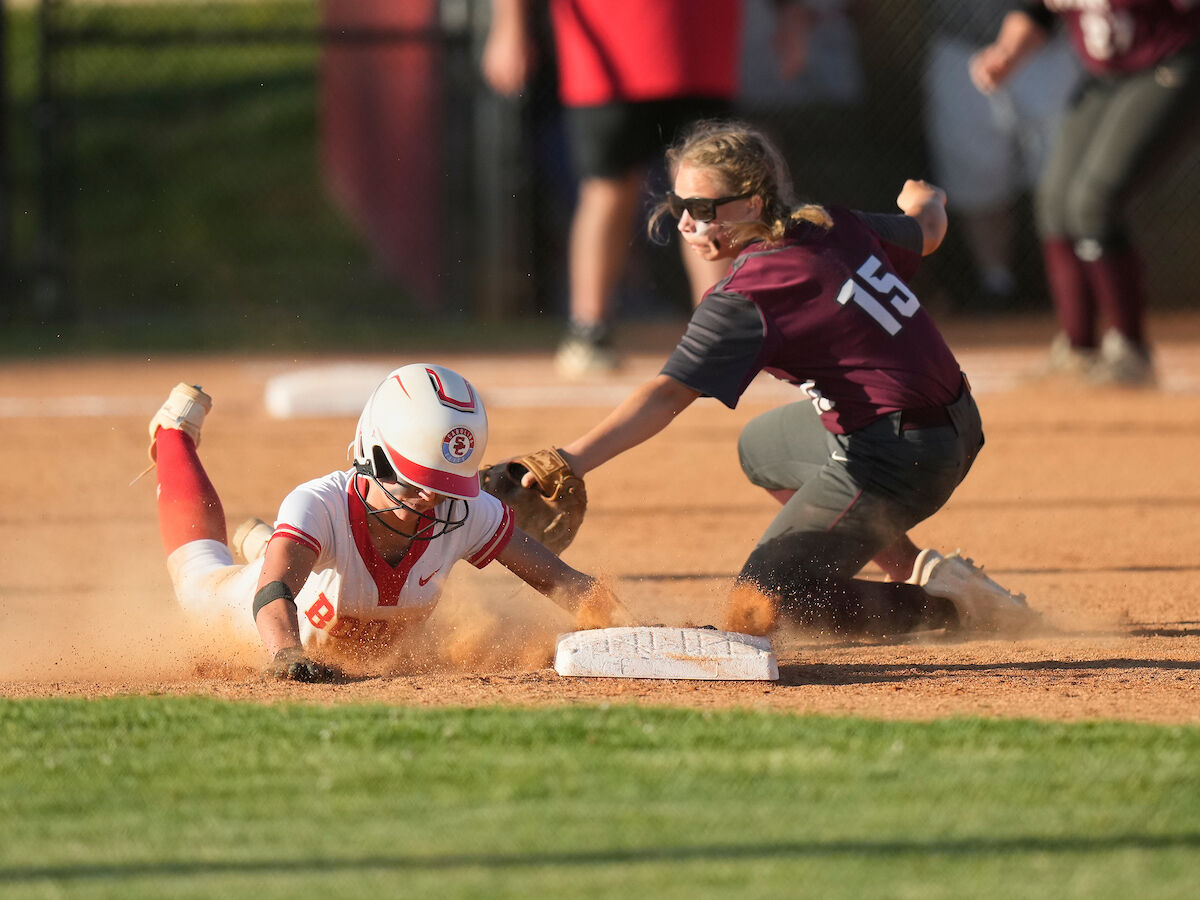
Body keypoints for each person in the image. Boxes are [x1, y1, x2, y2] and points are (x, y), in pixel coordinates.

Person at [527, 120, 1034, 638]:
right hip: (951, 419)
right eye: (681, 206)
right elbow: (927, 231)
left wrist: (569, 461)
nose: (686, 224)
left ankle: (955, 609)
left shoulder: (749, 295)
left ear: (751, 204)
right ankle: (911, 567)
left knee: (769, 602)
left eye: (703, 210)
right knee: (762, 447)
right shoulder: (831, 226)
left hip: (905, 455)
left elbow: (667, 395)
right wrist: (927, 200)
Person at [146, 365, 624, 682]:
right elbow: (273, 593)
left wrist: (630, 629)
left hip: (315, 571)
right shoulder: (320, 503)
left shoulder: (464, 510)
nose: (432, 501)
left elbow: (565, 583)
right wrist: (288, 657)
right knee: (197, 577)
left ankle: (269, 542)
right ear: (372, 456)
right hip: (245, 614)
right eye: (418, 484)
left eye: (447, 488)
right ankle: (172, 435)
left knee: (297, 555)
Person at [482, 0, 809, 378]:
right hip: (608, 54)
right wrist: (508, 26)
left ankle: (723, 330)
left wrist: (793, 17)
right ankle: (589, 331)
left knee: (711, 193)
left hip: (701, 55)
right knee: (608, 189)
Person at [971, 2, 1200, 385]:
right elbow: (1036, 10)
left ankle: (1131, 352)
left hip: (1169, 61)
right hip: (1107, 77)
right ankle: (1079, 350)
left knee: (1094, 202)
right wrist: (1007, 53)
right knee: (1055, 202)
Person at [923, 0, 1081, 310]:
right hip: (962, 43)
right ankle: (996, 285)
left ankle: (1075, 288)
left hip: (1049, 46)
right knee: (977, 175)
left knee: (1063, 175)